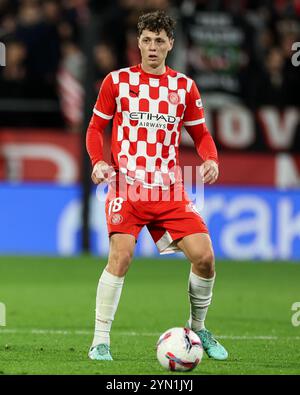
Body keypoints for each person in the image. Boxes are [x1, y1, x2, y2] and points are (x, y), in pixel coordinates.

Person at [86, 10, 228, 362]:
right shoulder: (116, 82)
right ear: (138, 43)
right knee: (120, 257)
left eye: (159, 41)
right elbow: (94, 129)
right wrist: (98, 162)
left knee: (205, 258)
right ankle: (100, 340)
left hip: (168, 189)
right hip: (127, 186)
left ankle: (197, 328)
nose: (152, 47)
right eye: (146, 40)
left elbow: (201, 134)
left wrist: (211, 159)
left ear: (171, 45)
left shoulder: (184, 87)